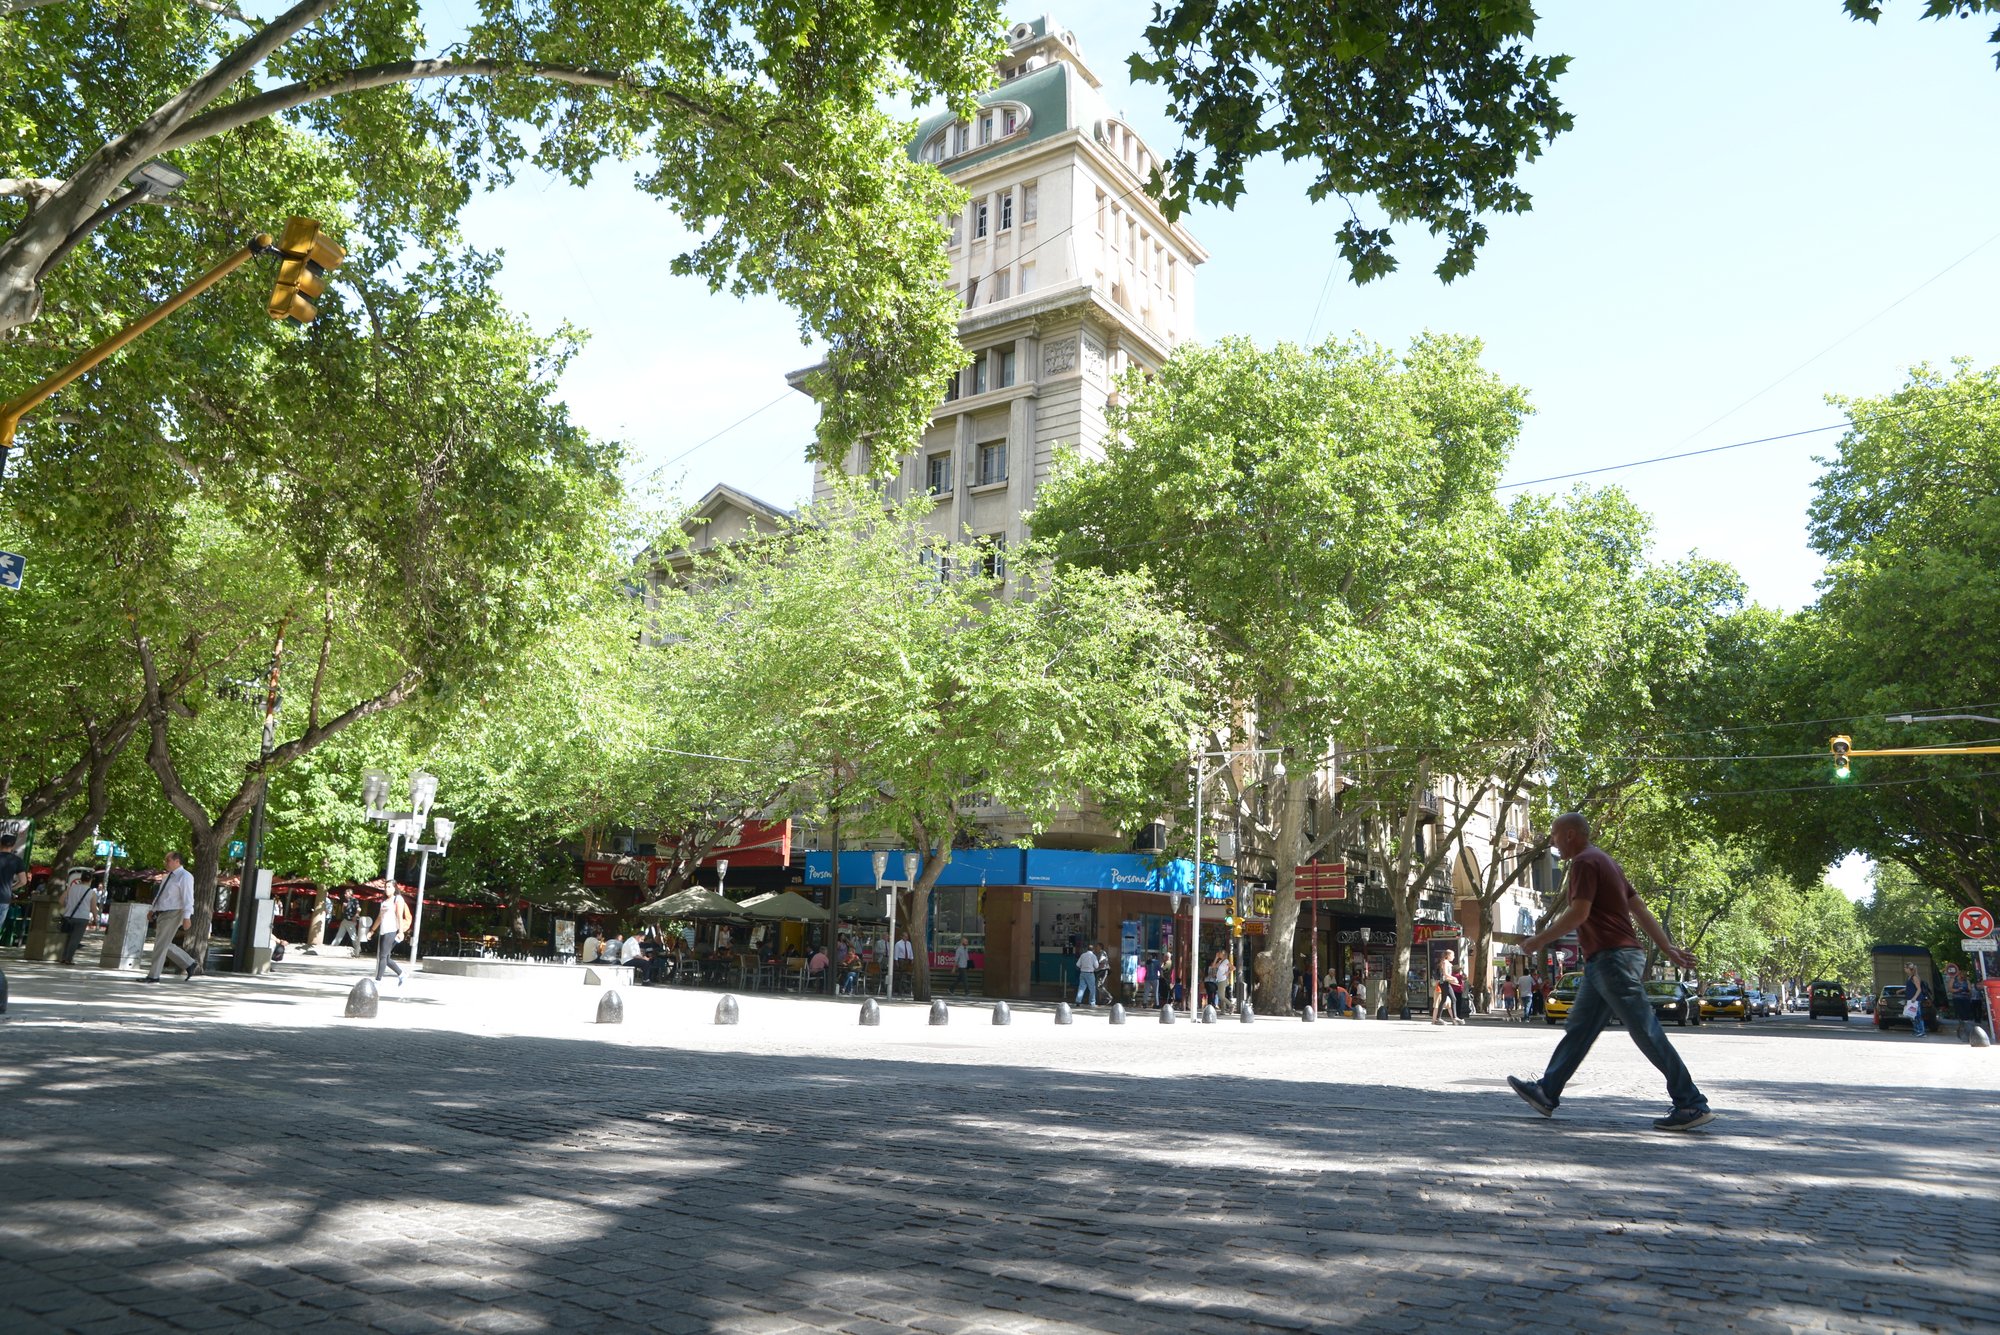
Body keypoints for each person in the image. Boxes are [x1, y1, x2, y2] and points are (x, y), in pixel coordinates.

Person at [1507, 813, 1713, 1131]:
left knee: (1645, 1030)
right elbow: (1639, 908)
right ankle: (1547, 1091)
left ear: (1571, 834)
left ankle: (1691, 1103)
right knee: (1580, 1029)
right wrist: (1667, 947)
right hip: (1610, 959)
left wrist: (1539, 940)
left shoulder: (1584, 862)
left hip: (1611, 959)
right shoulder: (1606, 861)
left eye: (1555, 835)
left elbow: (1579, 912)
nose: (1553, 842)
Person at [141, 851, 203, 983]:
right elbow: (161, 895)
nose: (165, 863)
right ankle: (189, 963)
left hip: (174, 912)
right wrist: (153, 909)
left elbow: (188, 898)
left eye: (168, 860)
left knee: (160, 944)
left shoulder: (185, 876)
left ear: (177, 861)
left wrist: (187, 916)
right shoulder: (168, 876)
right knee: (163, 943)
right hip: (163, 913)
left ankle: (154, 976)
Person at [373, 888, 412, 988]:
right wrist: (372, 930)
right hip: (384, 931)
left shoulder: (398, 899)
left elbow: (399, 916)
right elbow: (380, 917)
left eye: (390, 887)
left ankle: (377, 981)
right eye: (386, 887)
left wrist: (401, 932)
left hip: (393, 931)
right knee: (386, 957)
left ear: (395, 888)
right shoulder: (384, 901)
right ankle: (401, 974)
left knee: (383, 956)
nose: (387, 889)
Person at [58, 872, 96, 965]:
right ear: (90, 880)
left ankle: (63, 957)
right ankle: (68, 959)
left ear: (81, 879)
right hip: (82, 918)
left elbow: (60, 900)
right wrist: (95, 919)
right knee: (75, 939)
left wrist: (68, 907)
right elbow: (93, 908)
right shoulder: (91, 892)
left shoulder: (71, 888)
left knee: (68, 938)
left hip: (69, 916)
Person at [1431, 949, 1463, 1025]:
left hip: (1445, 983)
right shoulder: (1445, 962)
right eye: (1452, 955)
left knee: (1445, 1000)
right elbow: (1445, 974)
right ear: (1448, 955)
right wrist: (1454, 978)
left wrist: (1453, 981)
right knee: (1452, 999)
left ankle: (1440, 1018)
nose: (1454, 957)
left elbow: (1446, 976)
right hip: (1444, 983)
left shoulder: (1449, 964)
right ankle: (1453, 1017)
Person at [1946, 965, 1977, 1039]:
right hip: (1957, 998)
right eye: (1961, 975)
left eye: (1964, 975)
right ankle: (1962, 1026)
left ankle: (1966, 1026)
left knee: (1966, 1013)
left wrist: (1968, 991)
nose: (1962, 976)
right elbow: (1950, 989)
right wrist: (1957, 990)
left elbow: (1970, 990)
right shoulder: (1953, 980)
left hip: (1966, 998)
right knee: (1960, 1012)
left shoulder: (1966, 981)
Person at [1904, 961, 1932, 1038]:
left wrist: (1914, 998)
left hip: (1915, 1000)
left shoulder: (1914, 977)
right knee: (1912, 1016)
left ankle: (1922, 1032)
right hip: (1910, 999)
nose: (1904, 969)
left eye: (1905, 968)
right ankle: (1916, 1030)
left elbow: (1919, 989)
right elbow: (1910, 988)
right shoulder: (1909, 977)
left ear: (1909, 969)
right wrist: (1901, 990)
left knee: (1917, 1016)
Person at [1075, 942, 1100, 1006]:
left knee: (1081, 988)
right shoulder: (1093, 956)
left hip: (1082, 973)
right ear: (1093, 950)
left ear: (1087, 949)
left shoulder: (1083, 955)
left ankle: (1078, 1001)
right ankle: (1092, 1002)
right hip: (1090, 974)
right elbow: (1096, 966)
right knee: (1092, 989)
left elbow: (1078, 964)